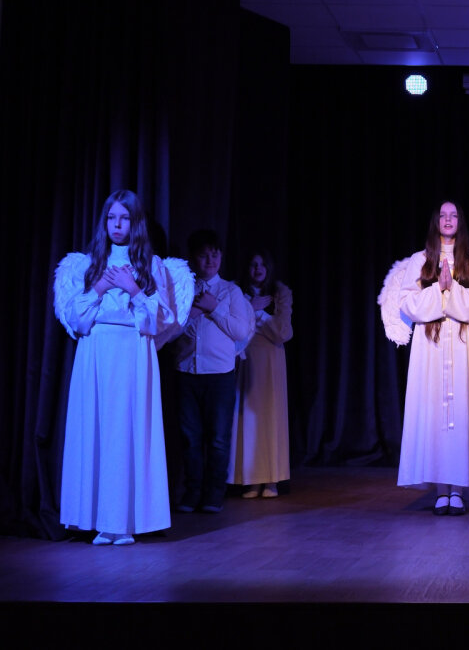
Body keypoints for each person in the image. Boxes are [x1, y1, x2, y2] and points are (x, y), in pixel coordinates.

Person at [53, 190, 191, 545]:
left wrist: (134, 289)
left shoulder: (151, 265)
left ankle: (124, 521)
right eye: (111, 218)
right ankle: (98, 519)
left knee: (127, 431)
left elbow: (161, 320)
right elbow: (76, 319)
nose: (117, 225)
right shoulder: (88, 265)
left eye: (124, 218)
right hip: (97, 352)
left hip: (133, 352)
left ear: (135, 222)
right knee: (98, 429)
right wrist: (99, 287)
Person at [379, 202, 469, 515]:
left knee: (461, 413)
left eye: (454, 215)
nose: (448, 219)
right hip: (431, 346)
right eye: (443, 215)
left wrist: (450, 288)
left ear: (460, 222)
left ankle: (458, 489)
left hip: (464, 344)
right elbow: (407, 303)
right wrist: (437, 291)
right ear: (436, 221)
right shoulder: (420, 260)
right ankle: (442, 489)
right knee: (434, 414)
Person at [174, 229, 254, 513]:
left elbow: (241, 331)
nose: (210, 260)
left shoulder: (230, 292)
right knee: (190, 438)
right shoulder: (183, 289)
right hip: (186, 373)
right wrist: (193, 313)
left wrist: (214, 308)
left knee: (218, 439)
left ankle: (213, 494)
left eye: (215, 254)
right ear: (193, 258)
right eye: (203, 255)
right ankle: (192, 492)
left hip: (220, 375)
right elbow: (168, 332)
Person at [228, 250, 293, 499]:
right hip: (246, 357)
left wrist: (259, 313)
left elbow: (283, 332)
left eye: (262, 264)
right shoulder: (236, 290)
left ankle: (271, 479)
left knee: (270, 418)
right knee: (247, 419)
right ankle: (251, 480)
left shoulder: (280, 292)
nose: (258, 269)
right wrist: (249, 307)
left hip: (271, 360)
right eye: (253, 264)